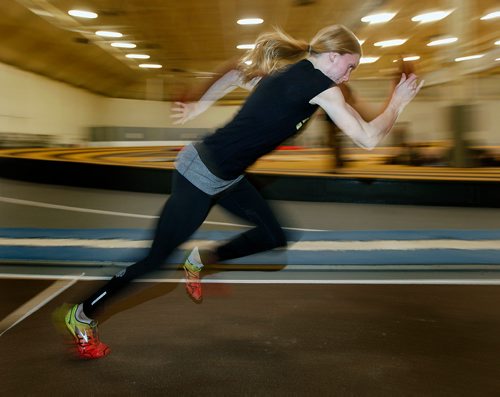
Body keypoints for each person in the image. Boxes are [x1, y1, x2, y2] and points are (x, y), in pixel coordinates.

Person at [62, 24, 423, 359]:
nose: (349, 75)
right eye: (350, 66)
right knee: (155, 259)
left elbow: (236, 72)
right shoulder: (323, 88)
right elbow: (368, 139)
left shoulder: (290, 76)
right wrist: (398, 103)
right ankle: (82, 313)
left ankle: (200, 260)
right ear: (332, 57)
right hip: (198, 174)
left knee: (274, 235)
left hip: (228, 176)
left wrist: (199, 104)